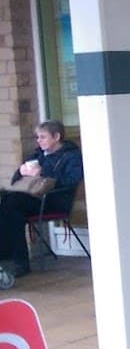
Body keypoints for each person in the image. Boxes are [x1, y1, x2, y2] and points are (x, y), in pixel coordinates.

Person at [0, 120, 83, 287]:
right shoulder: (37, 154)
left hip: (54, 200)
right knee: (9, 205)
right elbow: (16, 180)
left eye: (43, 137)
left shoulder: (71, 156)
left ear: (57, 137)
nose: (39, 140)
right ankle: (15, 260)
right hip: (33, 199)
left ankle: (13, 259)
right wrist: (21, 171)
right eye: (37, 137)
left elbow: (71, 181)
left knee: (12, 204)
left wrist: (42, 173)